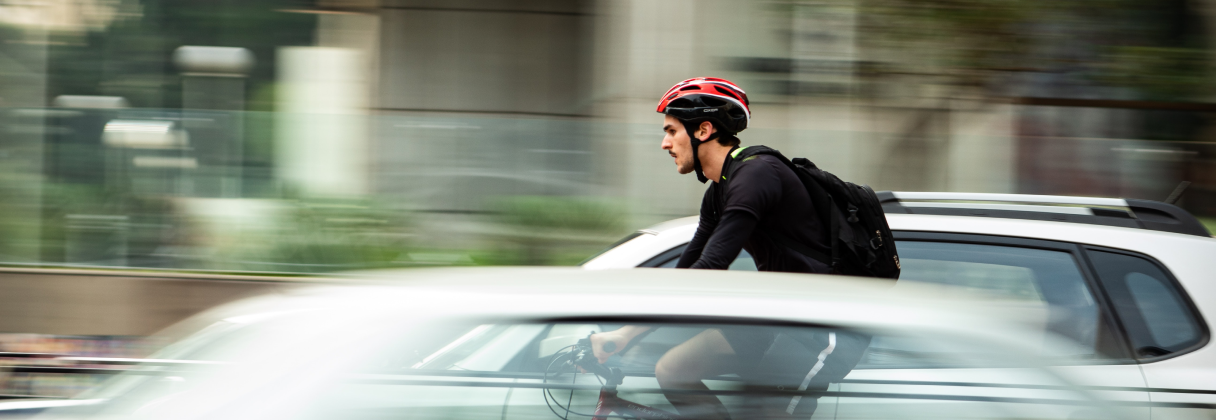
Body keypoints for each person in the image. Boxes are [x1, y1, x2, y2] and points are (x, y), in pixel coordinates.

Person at [590, 77, 865, 419]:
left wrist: (630, 333)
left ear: (703, 130)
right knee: (675, 371)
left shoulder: (757, 175)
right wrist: (627, 333)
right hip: (783, 316)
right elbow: (687, 267)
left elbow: (709, 268)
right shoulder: (718, 192)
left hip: (826, 322)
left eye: (671, 131)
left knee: (766, 410)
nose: (664, 143)